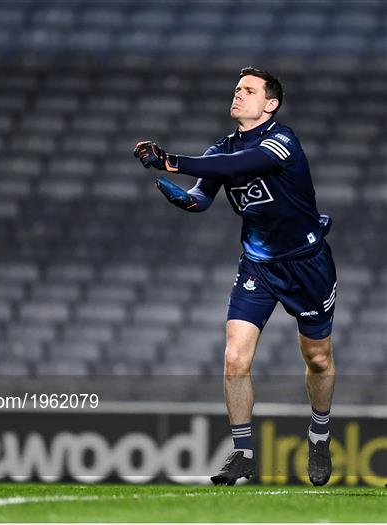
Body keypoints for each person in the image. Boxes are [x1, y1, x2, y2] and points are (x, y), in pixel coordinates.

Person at [133, 67, 336, 486]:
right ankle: (243, 453)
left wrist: (172, 160)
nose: (238, 95)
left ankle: (319, 436)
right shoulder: (220, 149)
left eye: (248, 90)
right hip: (257, 266)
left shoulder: (283, 141)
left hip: (306, 263)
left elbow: (242, 164)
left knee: (318, 358)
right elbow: (201, 199)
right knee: (234, 357)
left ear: (271, 104)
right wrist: (179, 196)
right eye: (236, 89)